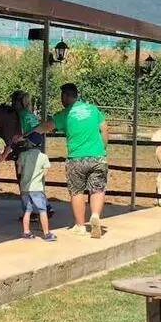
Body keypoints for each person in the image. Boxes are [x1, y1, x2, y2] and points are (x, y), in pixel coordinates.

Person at [25, 83, 109, 238]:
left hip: (76, 158)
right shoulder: (93, 109)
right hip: (98, 156)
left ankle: (80, 226)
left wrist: (26, 134)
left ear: (64, 96)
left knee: (77, 191)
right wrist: (102, 148)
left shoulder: (64, 115)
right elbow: (104, 128)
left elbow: (44, 127)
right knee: (97, 188)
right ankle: (95, 215)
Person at [11, 90, 54, 220]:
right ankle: (46, 206)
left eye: (13, 102)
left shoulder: (20, 115)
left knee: (24, 181)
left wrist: (16, 143)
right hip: (36, 147)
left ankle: (29, 212)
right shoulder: (31, 115)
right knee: (35, 180)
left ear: (18, 102)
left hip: (26, 147)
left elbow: (22, 132)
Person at [17, 133, 56, 242]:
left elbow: (19, 171)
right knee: (42, 210)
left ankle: (26, 232)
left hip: (25, 187)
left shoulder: (22, 155)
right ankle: (46, 233)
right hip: (37, 187)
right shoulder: (43, 157)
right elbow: (45, 172)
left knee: (27, 211)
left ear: (29, 143)